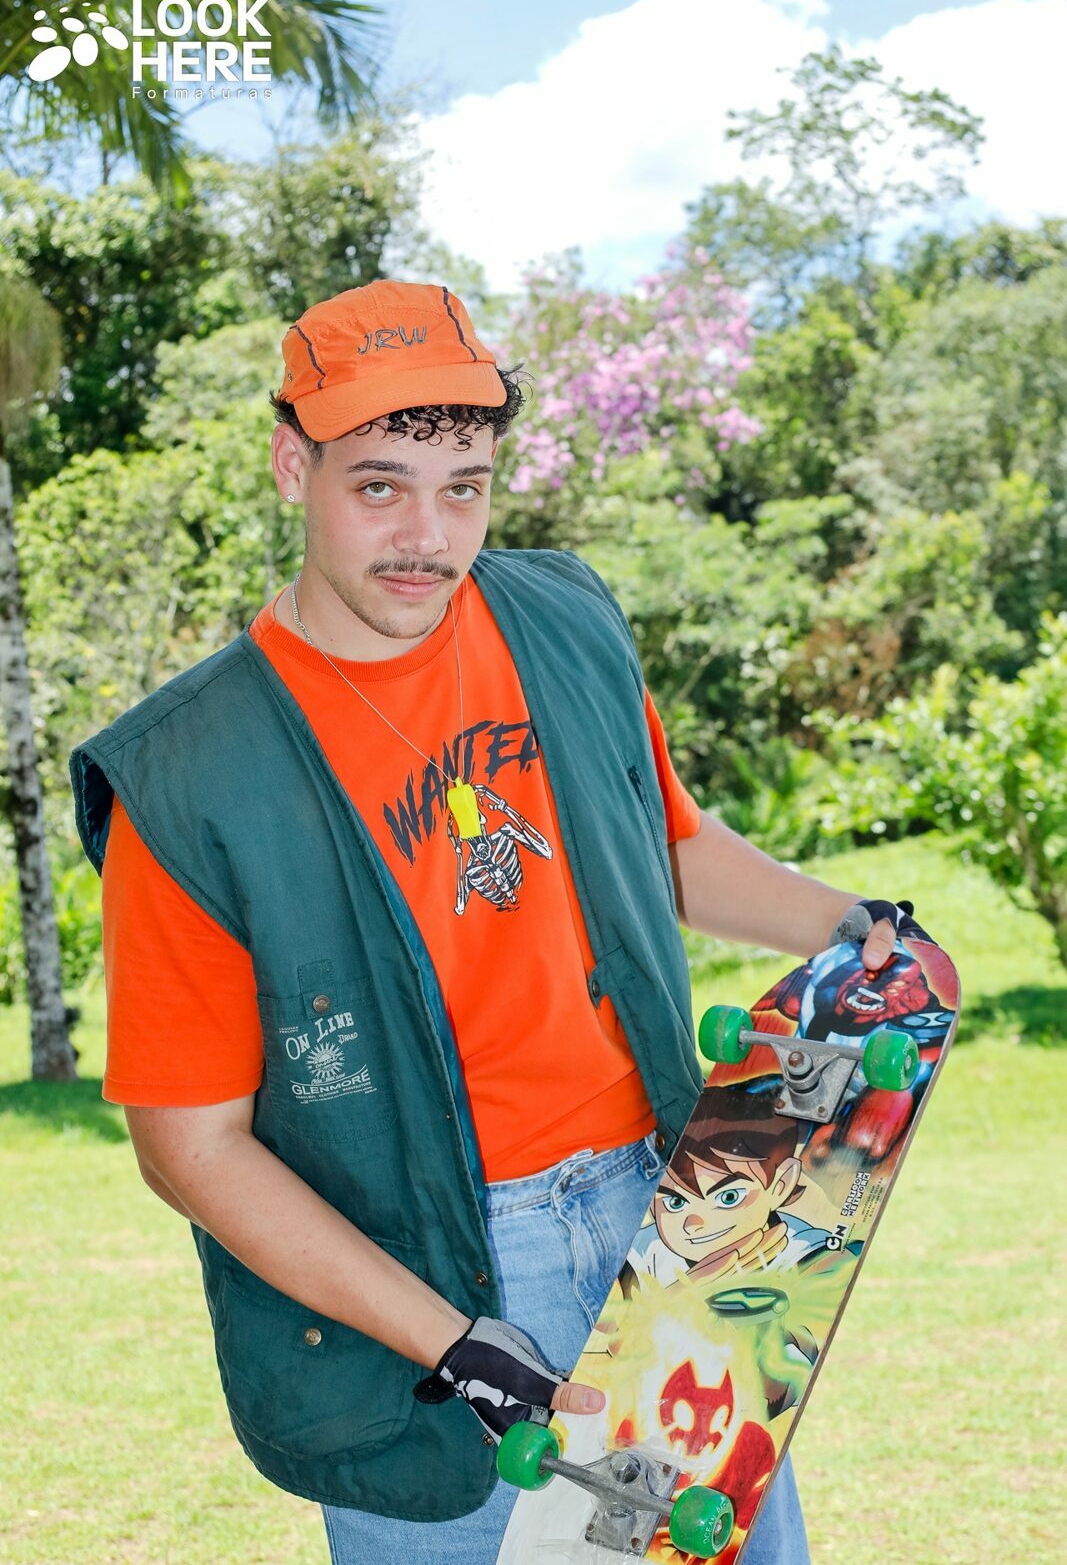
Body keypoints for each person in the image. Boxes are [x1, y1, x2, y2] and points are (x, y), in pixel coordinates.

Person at [70, 279, 920, 1565]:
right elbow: (190, 1147)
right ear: (292, 465)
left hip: (667, 1208)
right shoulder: (192, 777)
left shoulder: (561, 621)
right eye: (379, 486)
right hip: (424, 1268)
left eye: (462, 487)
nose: (427, 535)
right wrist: (451, 1340)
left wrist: (843, 918)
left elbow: (664, 846)